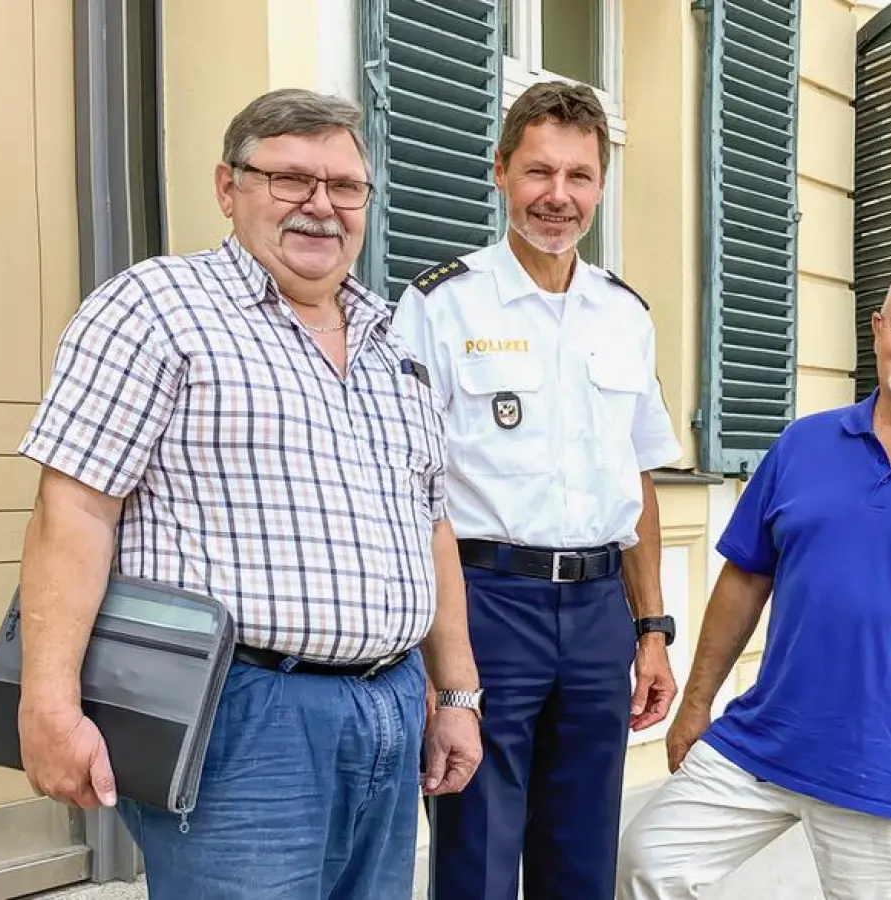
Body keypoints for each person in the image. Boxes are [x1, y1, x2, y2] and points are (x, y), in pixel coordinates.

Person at [12, 88, 483, 900]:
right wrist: (48, 702)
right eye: (290, 180)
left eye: (344, 186)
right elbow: (75, 509)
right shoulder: (156, 309)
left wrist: (456, 694)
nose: (321, 206)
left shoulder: (393, 346)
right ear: (229, 189)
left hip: (390, 705)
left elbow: (430, 527)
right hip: (239, 712)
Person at [616, 263, 891, 899]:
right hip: (764, 741)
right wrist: (695, 706)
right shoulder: (805, 445)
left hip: (890, 771)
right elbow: (744, 581)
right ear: (878, 330)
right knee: (649, 862)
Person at [390, 80, 682, 900]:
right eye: (538, 173)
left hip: (598, 616)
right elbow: (410, 485)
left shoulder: (623, 313)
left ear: (599, 184)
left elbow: (639, 477)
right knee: (478, 847)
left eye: (579, 176)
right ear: (501, 173)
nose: (558, 197)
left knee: (583, 851)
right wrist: (437, 657)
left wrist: (651, 628)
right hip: (486, 604)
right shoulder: (439, 305)